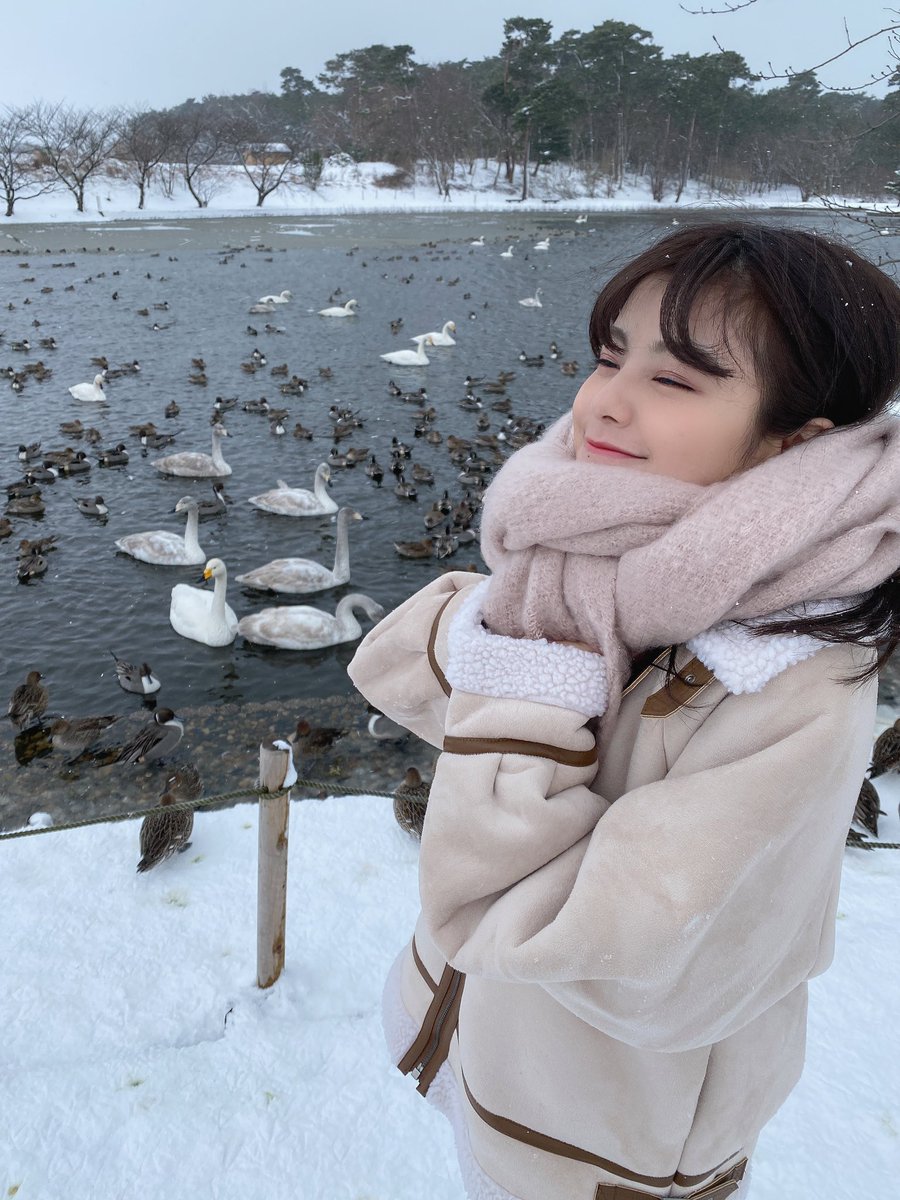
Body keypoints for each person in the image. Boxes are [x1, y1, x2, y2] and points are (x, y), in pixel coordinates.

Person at [347, 223, 900, 1200]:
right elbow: (398, 661)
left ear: (795, 444)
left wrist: (525, 677)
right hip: (481, 1047)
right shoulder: (606, 563)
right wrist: (527, 639)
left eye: (674, 378)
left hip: (594, 1149)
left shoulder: (794, 694)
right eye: (611, 357)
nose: (603, 399)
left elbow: (612, 953)